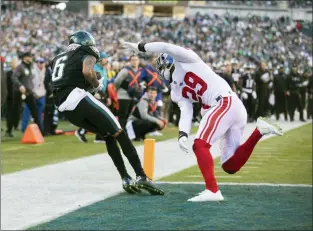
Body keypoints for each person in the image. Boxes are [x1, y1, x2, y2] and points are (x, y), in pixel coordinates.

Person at [123, 41, 283, 202]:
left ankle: (212, 190)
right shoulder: (175, 91)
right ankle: (259, 131)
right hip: (232, 106)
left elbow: (167, 47)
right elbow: (186, 111)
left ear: (167, 63)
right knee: (230, 166)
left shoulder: (187, 59)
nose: (161, 73)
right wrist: (183, 134)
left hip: (224, 102)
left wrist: (140, 47)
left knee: (200, 145)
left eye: (161, 68)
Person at [51, 30, 164, 195]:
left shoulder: (58, 58)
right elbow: (86, 71)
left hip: (63, 106)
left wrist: (88, 84)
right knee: (119, 132)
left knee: (108, 135)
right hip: (77, 97)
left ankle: (125, 177)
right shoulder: (86, 51)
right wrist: (96, 84)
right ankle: (141, 176)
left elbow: (65, 79)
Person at [75, 51, 110, 143]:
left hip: (102, 93)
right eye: (105, 58)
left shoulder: (103, 69)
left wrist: (108, 96)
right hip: (96, 93)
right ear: (101, 59)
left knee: (99, 115)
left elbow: (105, 83)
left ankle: (94, 134)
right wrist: (96, 92)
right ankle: (84, 132)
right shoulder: (95, 68)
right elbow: (92, 82)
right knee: (97, 115)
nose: (107, 60)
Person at [11, 51, 43, 134]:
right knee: (15, 110)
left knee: (34, 111)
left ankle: (40, 130)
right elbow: (14, 77)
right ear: (25, 58)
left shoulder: (32, 66)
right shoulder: (20, 67)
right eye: (30, 57)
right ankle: (10, 129)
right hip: (19, 92)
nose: (31, 58)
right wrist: (20, 86)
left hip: (29, 92)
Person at [114, 55, 144, 128]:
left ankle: (125, 132)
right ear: (130, 61)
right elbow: (117, 82)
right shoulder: (125, 70)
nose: (134, 62)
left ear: (138, 61)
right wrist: (119, 89)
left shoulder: (141, 71)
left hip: (134, 96)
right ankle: (120, 133)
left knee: (128, 115)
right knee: (122, 115)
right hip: (123, 95)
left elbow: (143, 83)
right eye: (133, 60)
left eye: (136, 60)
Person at [21, 57, 46, 132]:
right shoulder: (32, 70)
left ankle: (39, 128)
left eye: (42, 62)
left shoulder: (46, 71)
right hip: (32, 94)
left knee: (39, 114)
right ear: (37, 63)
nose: (41, 64)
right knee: (27, 112)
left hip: (42, 94)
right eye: (39, 62)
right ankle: (24, 128)